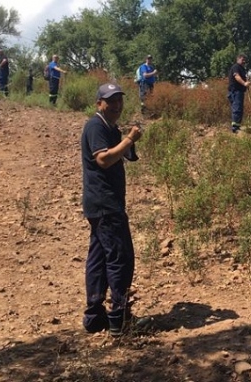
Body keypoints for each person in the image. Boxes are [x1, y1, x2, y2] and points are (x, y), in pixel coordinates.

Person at [81, 83, 149, 337]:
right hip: (106, 205)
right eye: (111, 101)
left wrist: (126, 139)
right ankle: (118, 319)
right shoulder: (96, 126)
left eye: (119, 100)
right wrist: (129, 139)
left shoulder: (108, 127)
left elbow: (124, 156)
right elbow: (104, 159)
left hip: (100, 204)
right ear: (99, 103)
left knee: (98, 258)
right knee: (121, 258)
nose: (117, 105)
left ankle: (94, 317)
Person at [227, 53, 251, 133]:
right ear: (238, 59)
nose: (244, 61)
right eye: (242, 59)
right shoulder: (236, 67)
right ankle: (235, 128)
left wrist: (247, 82)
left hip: (240, 92)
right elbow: (237, 76)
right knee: (237, 108)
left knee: (239, 109)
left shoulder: (242, 69)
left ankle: (237, 126)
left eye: (245, 60)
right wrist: (244, 83)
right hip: (235, 91)